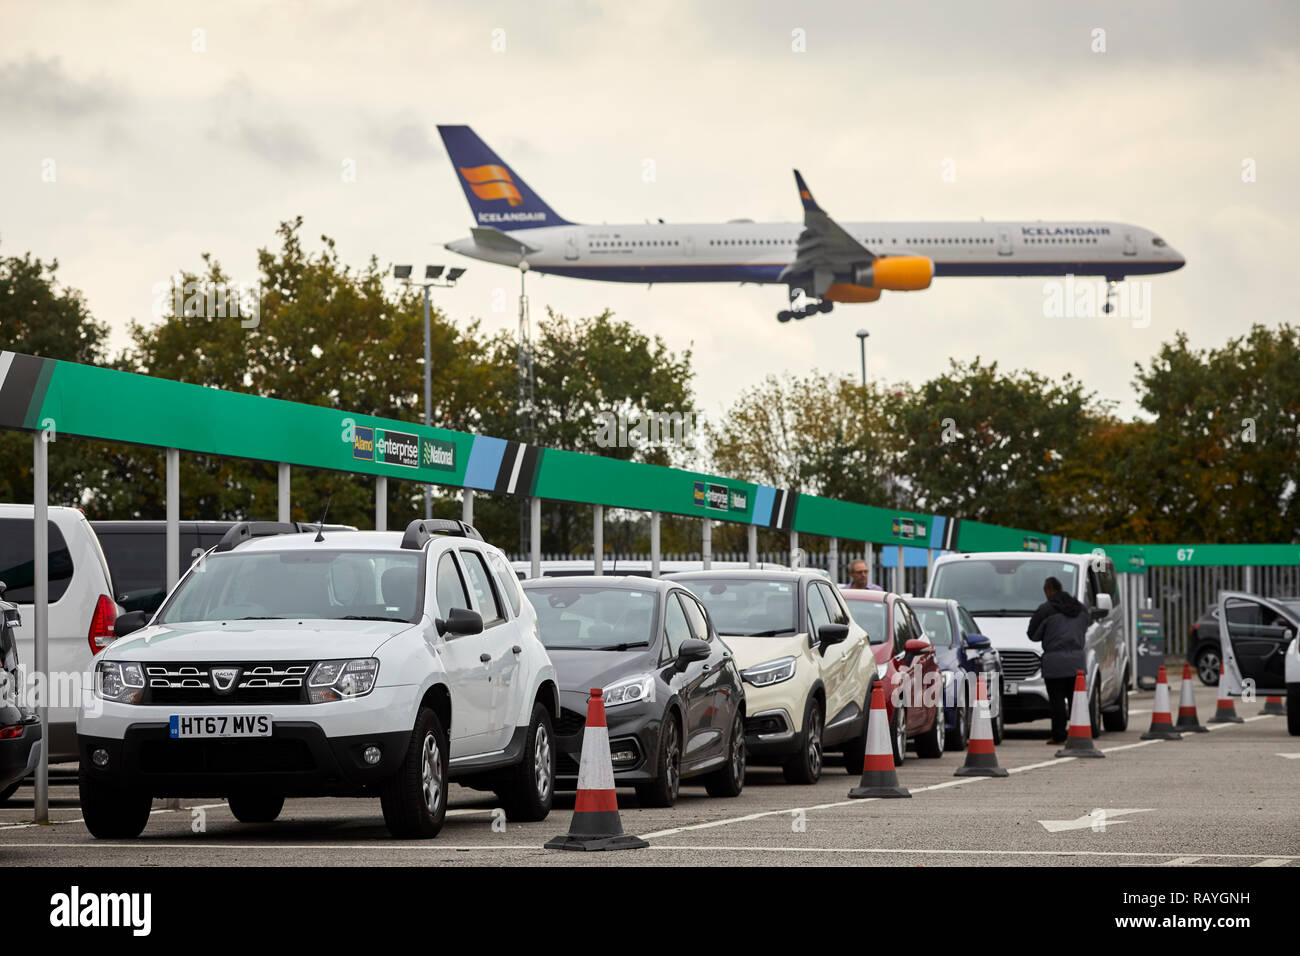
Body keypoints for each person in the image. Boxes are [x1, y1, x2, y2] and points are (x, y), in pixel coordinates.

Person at [1027, 576, 1088, 745]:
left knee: (1057, 701)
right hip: (1077, 662)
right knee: (1077, 700)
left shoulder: (1045, 610)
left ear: (1048, 591)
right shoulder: (1081, 608)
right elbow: (1085, 626)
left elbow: (1032, 635)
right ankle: (1080, 732)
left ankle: (1059, 735)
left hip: (1054, 662)